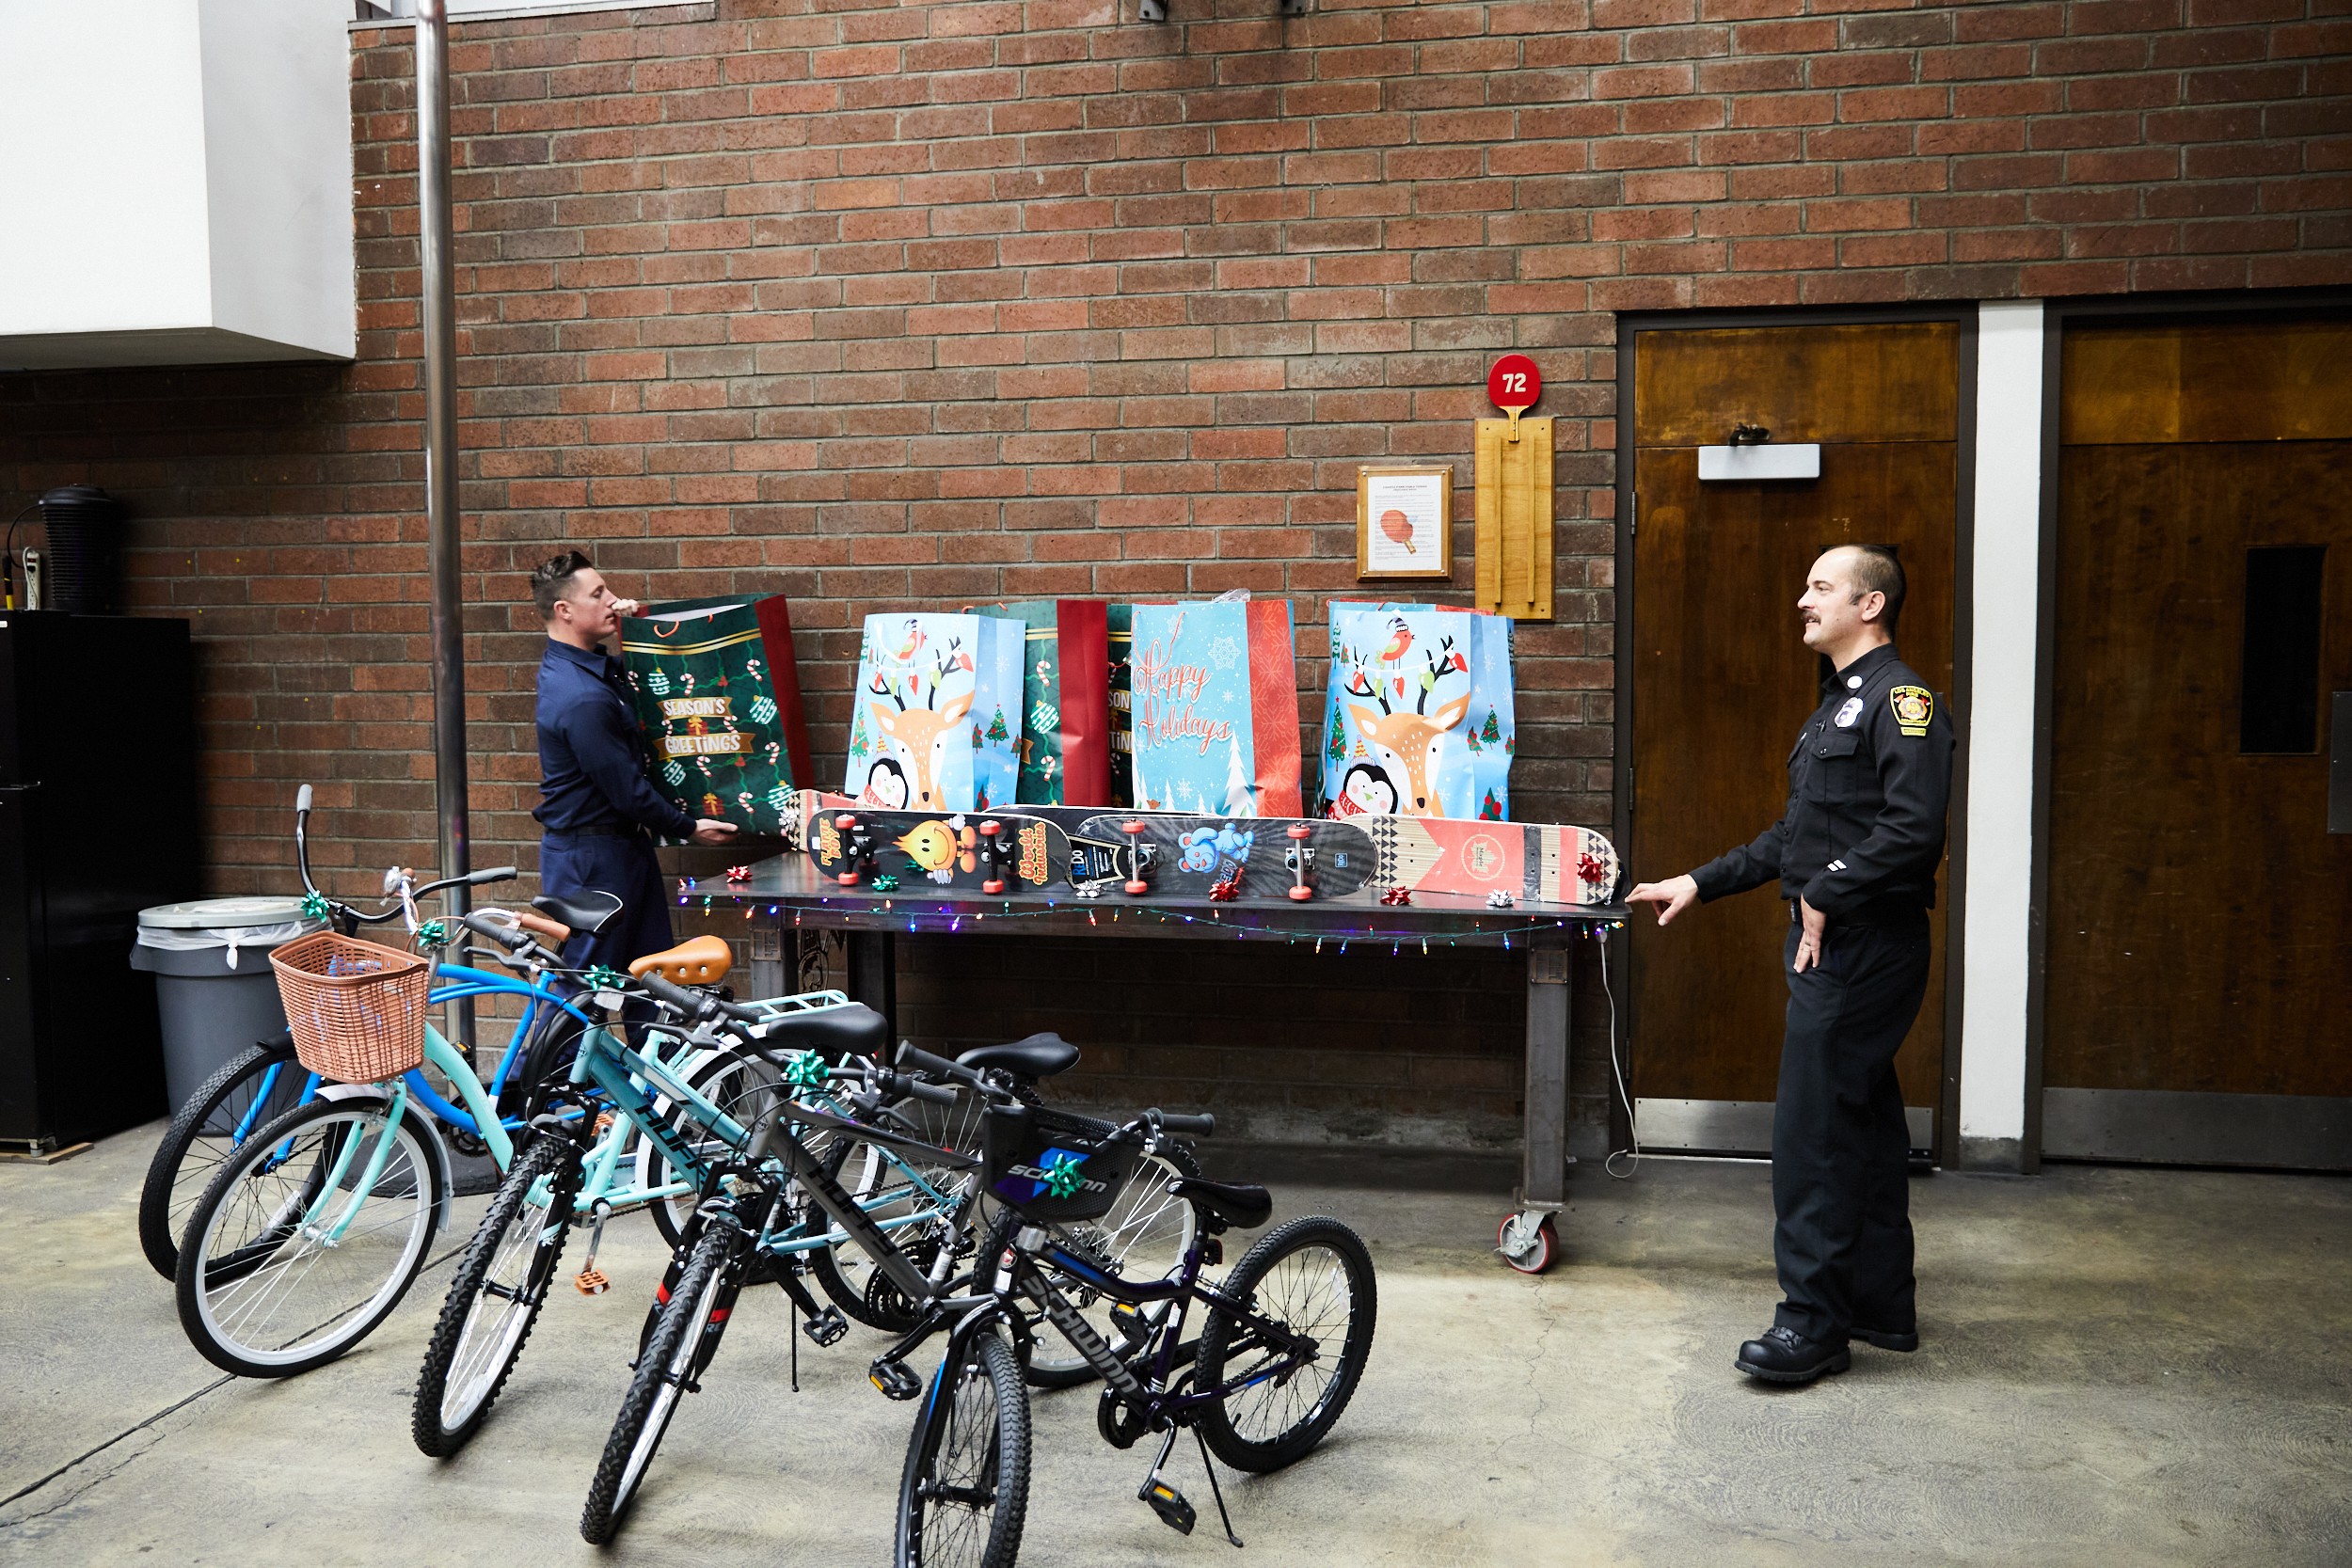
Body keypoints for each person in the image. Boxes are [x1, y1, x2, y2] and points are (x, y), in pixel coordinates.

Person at [1626, 544, 1954, 1386]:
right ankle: (1880, 1305)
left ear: (1870, 604)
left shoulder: (1902, 701)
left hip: (1859, 946)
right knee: (1866, 1123)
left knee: (1812, 1135)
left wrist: (1827, 893)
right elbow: (1795, 840)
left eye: (1819, 587)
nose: (1801, 600)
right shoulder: (1834, 707)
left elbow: (1915, 829)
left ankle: (1811, 1323)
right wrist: (1699, 880)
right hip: (1839, 940)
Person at [532, 551, 737, 994]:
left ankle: (651, 1066)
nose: (614, 599)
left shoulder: (589, 671)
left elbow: (646, 679)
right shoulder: (581, 696)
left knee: (651, 983)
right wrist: (688, 828)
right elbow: (625, 789)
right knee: (580, 995)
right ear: (564, 611)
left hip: (619, 848)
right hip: (591, 859)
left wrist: (638, 624)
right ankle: (551, 1068)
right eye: (599, 594)